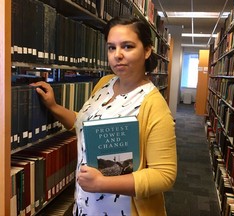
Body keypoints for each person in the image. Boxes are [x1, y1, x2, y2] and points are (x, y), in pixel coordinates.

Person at [31, 15, 177, 216]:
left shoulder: (153, 105)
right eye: (111, 47)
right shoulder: (105, 84)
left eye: (127, 46)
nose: (117, 55)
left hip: (122, 209)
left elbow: (164, 175)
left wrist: (102, 183)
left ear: (147, 50)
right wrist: (53, 106)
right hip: (87, 204)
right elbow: (84, 125)